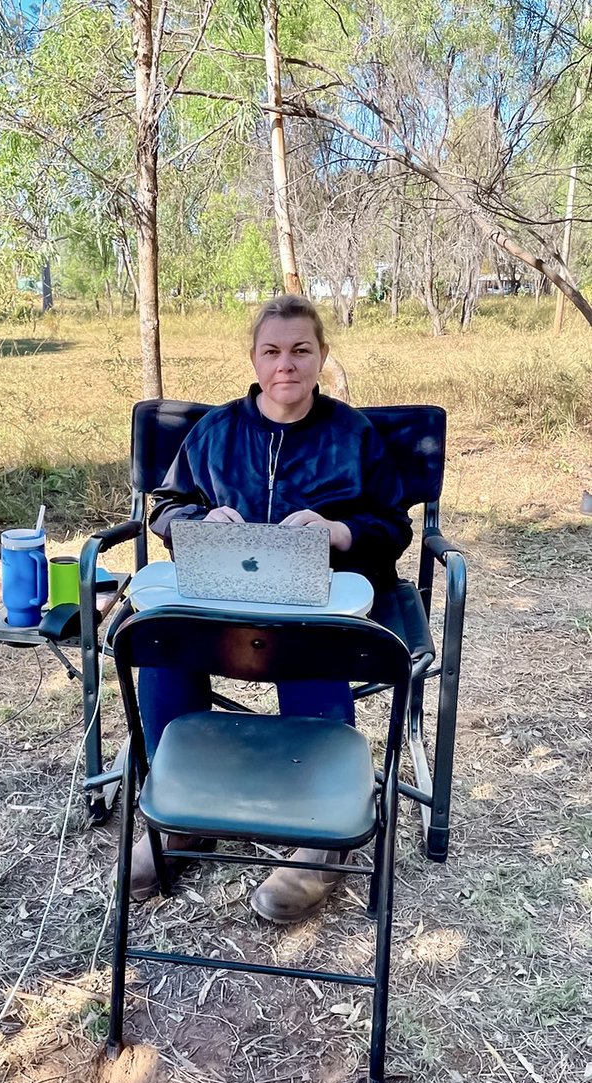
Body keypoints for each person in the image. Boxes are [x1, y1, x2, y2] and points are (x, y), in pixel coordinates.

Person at [129, 293, 413, 922]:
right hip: (221, 600)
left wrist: (338, 533)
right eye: (272, 351)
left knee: (315, 652)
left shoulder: (351, 435)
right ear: (254, 359)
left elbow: (394, 526)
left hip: (319, 602)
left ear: (321, 356)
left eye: (301, 350)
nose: (287, 364)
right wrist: (202, 520)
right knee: (163, 646)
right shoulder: (217, 430)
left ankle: (316, 841)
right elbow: (165, 509)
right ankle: (177, 817)